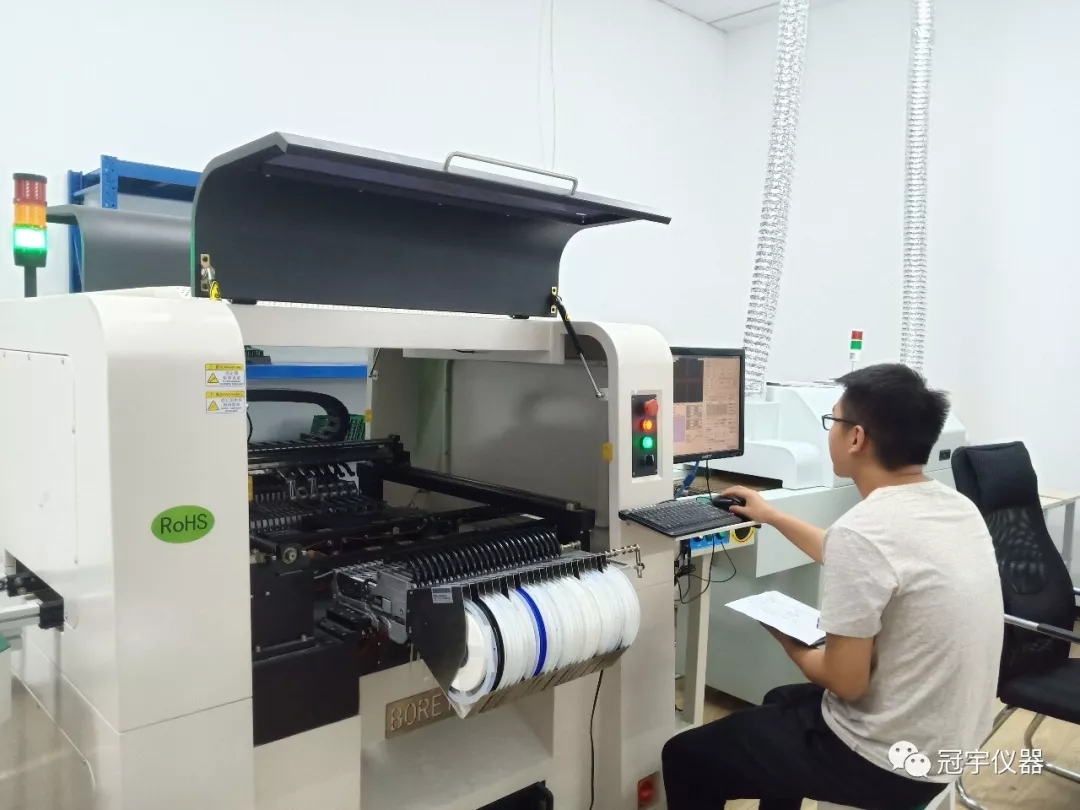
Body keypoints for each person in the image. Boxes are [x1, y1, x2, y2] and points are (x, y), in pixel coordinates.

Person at [662, 363, 1004, 810]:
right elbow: (859, 556)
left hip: (887, 763)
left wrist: (788, 638)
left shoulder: (863, 531)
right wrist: (772, 515)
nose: (831, 433)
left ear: (856, 437)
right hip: (951, 740)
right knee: (777, 700)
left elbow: (846, 683)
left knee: (685, 756)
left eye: (833, 421)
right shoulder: (955, 507)